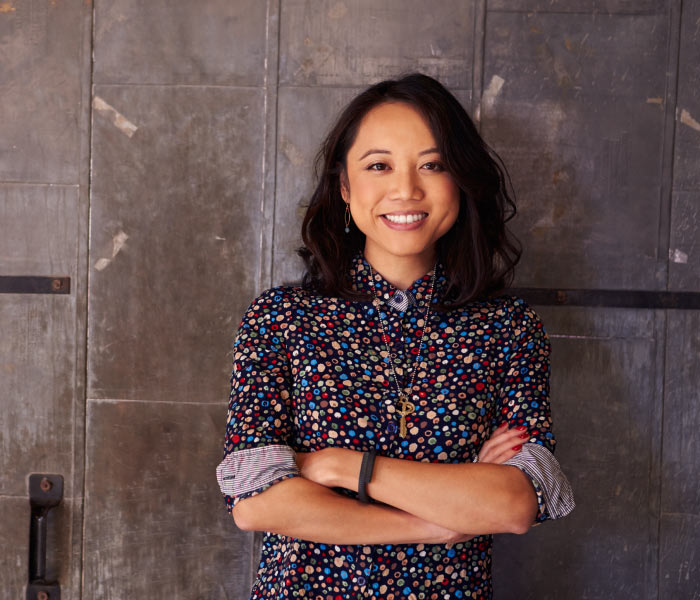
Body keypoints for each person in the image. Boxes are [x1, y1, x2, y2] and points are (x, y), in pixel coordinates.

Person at [216, 73, 574, 599]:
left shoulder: (509, 328)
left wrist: (339, 467)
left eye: (433, 165)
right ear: (344, 186)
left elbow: (516, 504)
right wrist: (438, 523)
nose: (406, 190)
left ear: (461, 181)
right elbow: (257, 503)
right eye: (379, 166)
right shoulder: (281, 319)